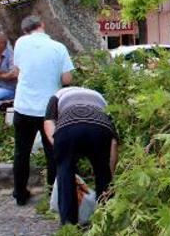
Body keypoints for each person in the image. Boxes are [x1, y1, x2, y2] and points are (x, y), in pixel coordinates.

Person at [11, 15, 74, 206]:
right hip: (49, 110)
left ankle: (20, 193)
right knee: (52, 152)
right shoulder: (58, 47)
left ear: (25, 30)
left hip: (23, 107)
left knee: (21, 151)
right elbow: (67, 79)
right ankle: (52, 193)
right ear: (42, 26)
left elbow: (18, 69)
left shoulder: (20, 43)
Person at [44, 86, 119, 225]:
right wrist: (110, 174)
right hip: (99, 128)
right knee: (102, 172)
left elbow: (48, 122)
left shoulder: (58, 94)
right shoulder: (100, 98)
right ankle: (106, 219)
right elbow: (113, 143)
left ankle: (68, 224)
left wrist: (60, 149)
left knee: (65, 172)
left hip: (68, 129)